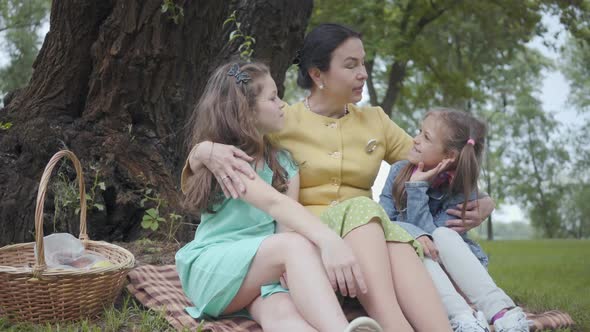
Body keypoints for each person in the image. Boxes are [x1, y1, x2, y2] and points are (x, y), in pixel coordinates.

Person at [176, 61, 383, 332]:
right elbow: (275, 204)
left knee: (282, 312)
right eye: (273, 98)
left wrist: (292, 272)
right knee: (293, 245)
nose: (283, 104)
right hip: (215, 269)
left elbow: (284, 225)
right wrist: (330, 242)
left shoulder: (284, 164)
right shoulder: (226, 157)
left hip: (260, 272)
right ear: (246, 111)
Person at [379, 108, 530, 332]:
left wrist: (418, 189)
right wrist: (416, 191)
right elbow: (384, 220)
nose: (415, 139)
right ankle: (464, 319)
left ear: (449, 156)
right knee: (417, 250)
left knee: (441, 235)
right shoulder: (398, 172)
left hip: (455, 270)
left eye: (426, 137)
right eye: (419, 131)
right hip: (414, 267)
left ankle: (502, 313)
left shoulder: (459, 189)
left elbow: (436, 241)